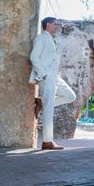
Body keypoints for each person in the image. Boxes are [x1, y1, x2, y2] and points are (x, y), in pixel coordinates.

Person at [29, 17, 76, 150]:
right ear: (48, 25)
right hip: (47, 77)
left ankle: (41, 103)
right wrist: (43, 74)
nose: (57, 26)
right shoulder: (41, 38)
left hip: (56, 77)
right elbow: (34, 57)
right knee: (49, 109)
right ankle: (47, 141)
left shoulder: (51, 39)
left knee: (71, 96)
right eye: (55, 24)